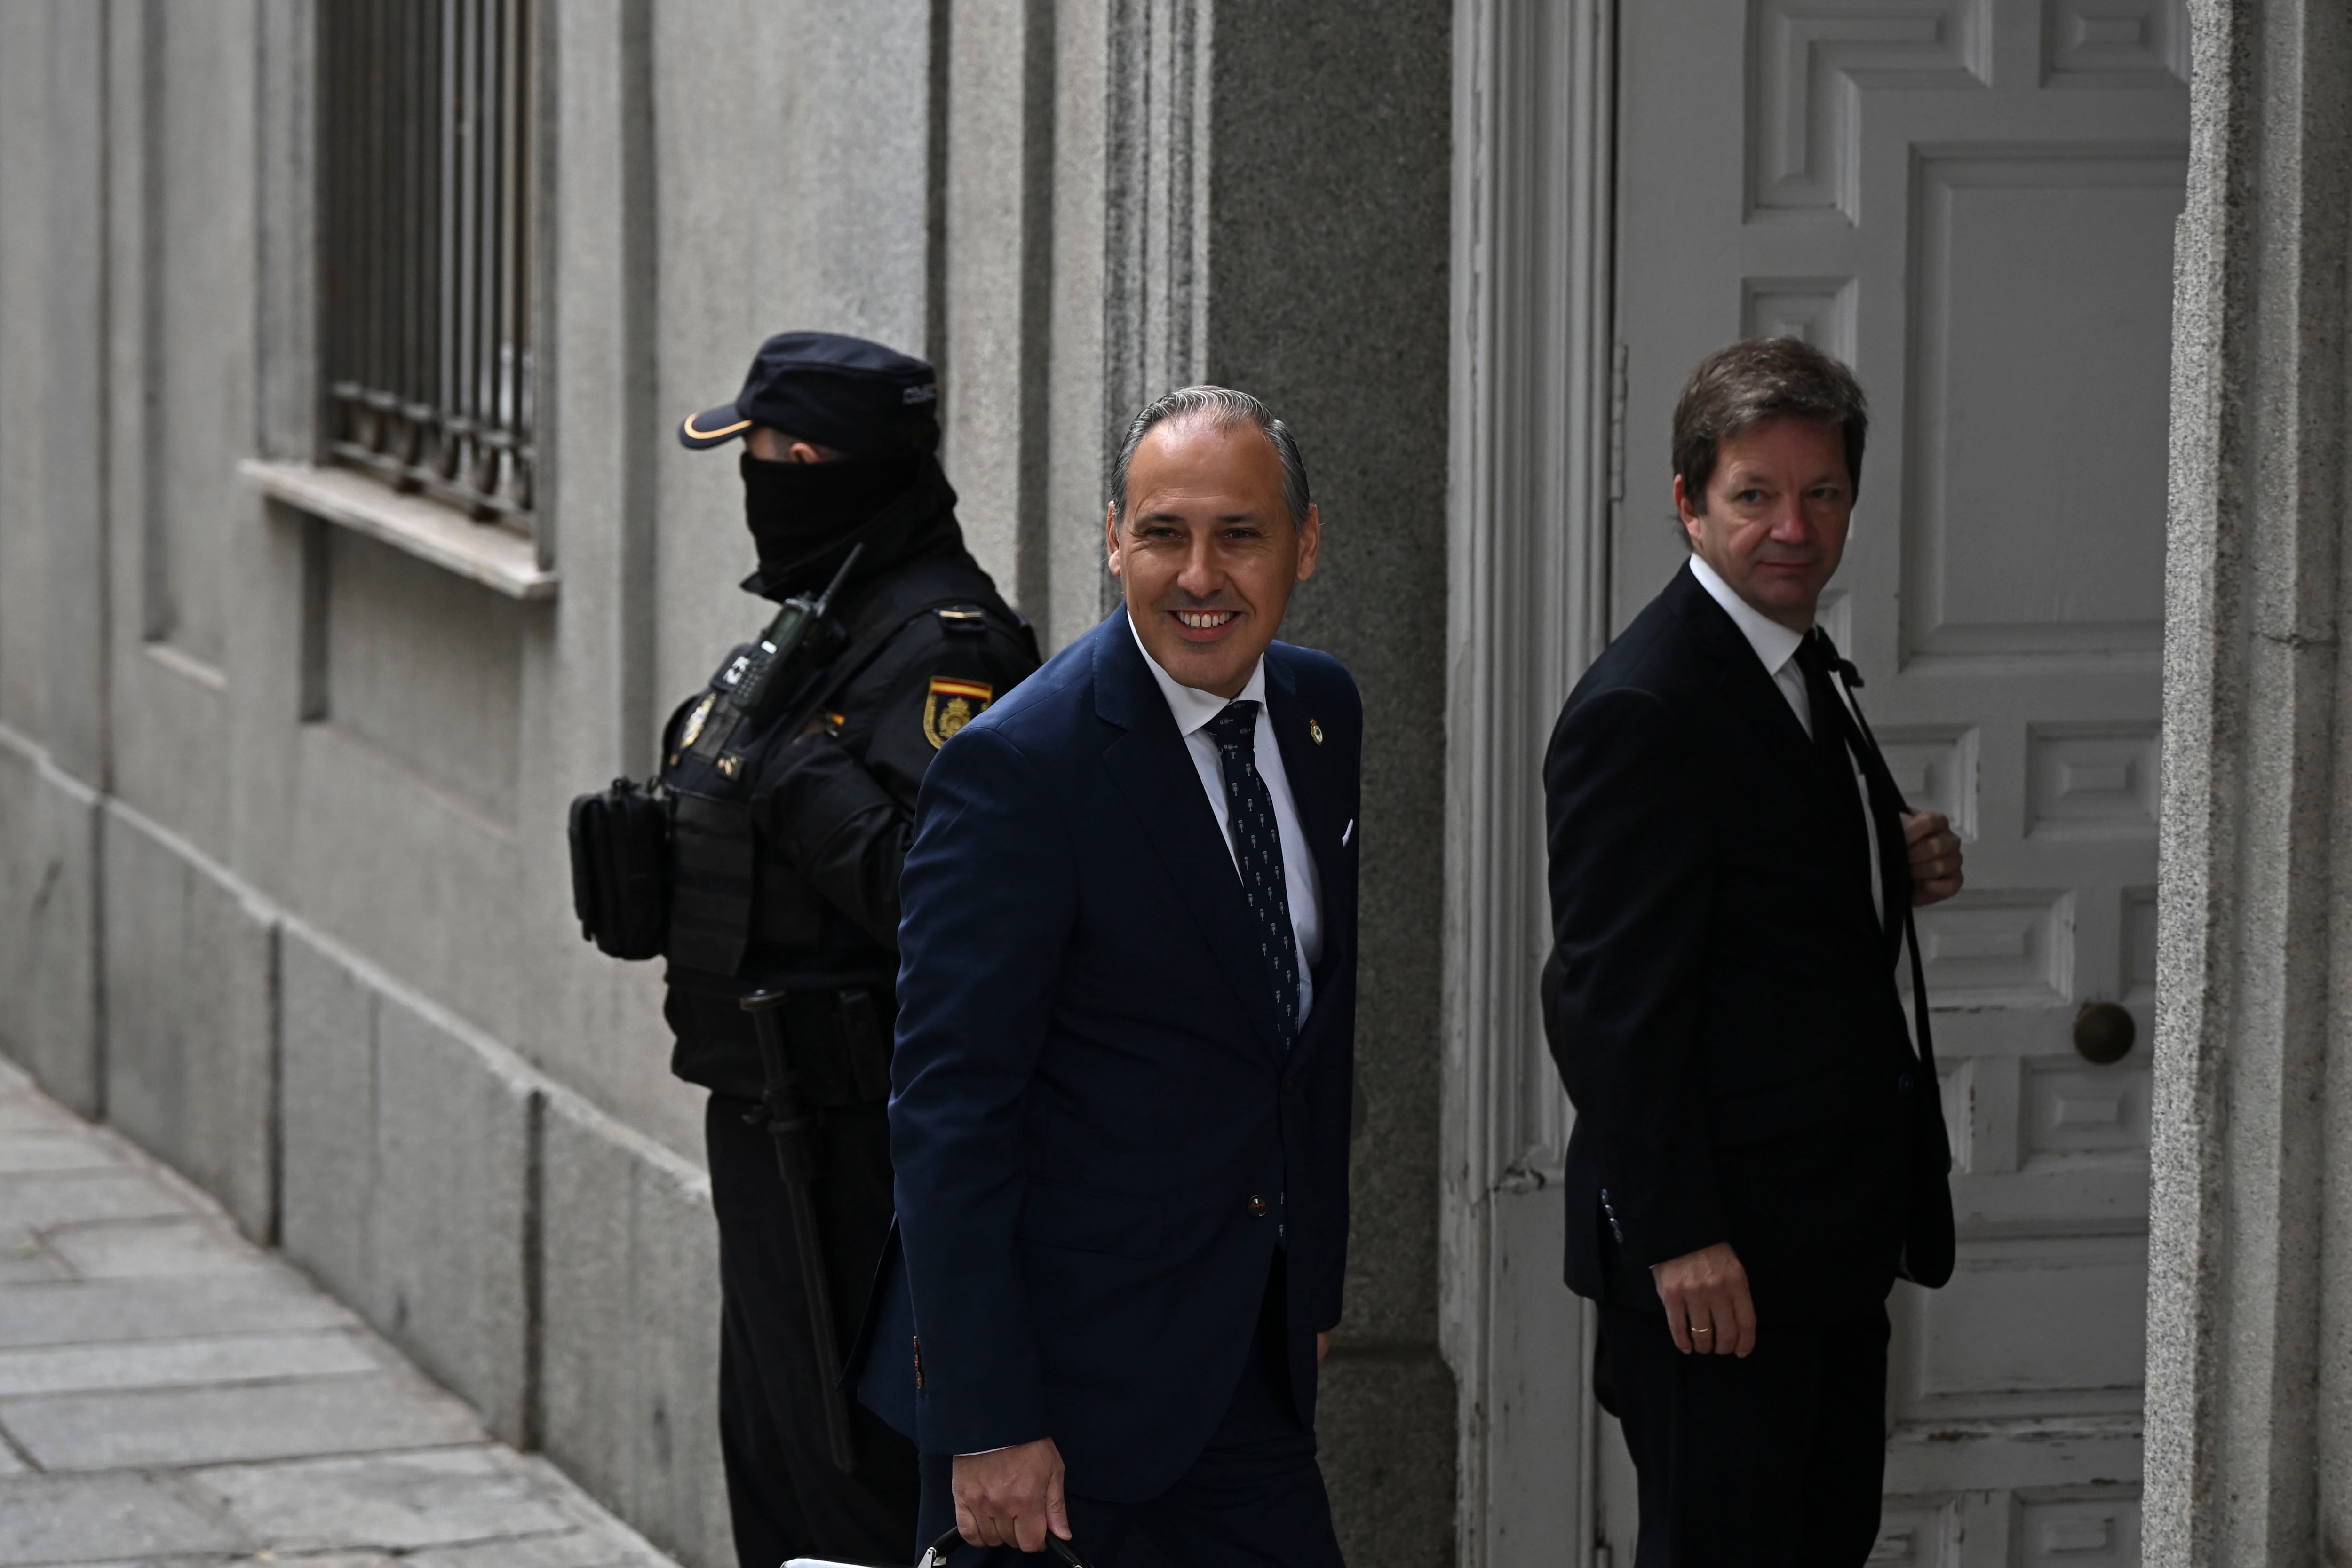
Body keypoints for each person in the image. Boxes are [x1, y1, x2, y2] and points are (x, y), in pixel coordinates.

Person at [850, 386, 1359, 1565]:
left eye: (1239, 534)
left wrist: (1311, 1290)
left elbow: (1307, 1041)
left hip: (1247, 1367)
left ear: (1306, 543)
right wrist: (988, 1419)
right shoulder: (1020, 768)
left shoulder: (1325, 713)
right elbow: (948, 1114)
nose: (1199, 574)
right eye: (1163, 533)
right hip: (1055, 1407)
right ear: (1113, 540)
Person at [1542, 338, 1965, 1566]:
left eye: (1821, 492)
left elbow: (1745, 881)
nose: (1795, 525)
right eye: (1755, 495)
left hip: (1821, 1241)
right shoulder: (1645, 703)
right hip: (1717, 1266)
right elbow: (1606, 1001)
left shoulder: (1788, 658)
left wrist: (1888, 856)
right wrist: (1679, 1234)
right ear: (1689, 500)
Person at [658, 332, 1039, 1568]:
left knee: (850, 1491)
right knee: (774, 1474)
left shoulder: (947, 644)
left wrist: (796, 768)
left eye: (760, 455)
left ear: (812, 462)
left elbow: (952, 902)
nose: (754, 483)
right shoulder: (833, 615)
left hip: (856, 1136)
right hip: (776, 1124)